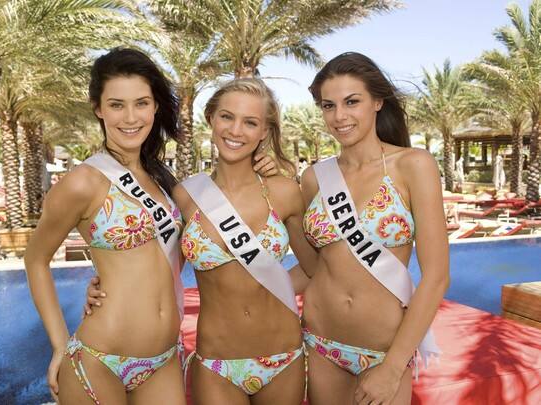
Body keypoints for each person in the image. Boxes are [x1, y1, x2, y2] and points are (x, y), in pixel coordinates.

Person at [86, 78, 320, 404]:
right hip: (216, 362)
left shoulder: (283, 191)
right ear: (211, 118)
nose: (236, 130)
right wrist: (104, 285)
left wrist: (271, 284)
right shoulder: (184, 196)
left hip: (283, 356)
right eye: (227, 117)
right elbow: (156, 268)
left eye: (250, 122)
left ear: (264, 131)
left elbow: (317, 269)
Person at [25, 47, 188, 404]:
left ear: (155, 106)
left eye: (141, 103)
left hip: (163, 360)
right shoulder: (83, 182)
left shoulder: (162, 179)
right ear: (98, 108)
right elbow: (35, 259)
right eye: (117, 105)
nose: (130, 117)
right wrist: (58, 345)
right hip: (99, 361)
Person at [300, 52, 449, 405]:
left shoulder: (413, 165)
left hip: (384, 351)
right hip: (321, 344)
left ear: (377, 102)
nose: (339, 116)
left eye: (352, 102)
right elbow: (315, 267)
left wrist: (394, 366)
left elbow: (437, 276)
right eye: (328, 105)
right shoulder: (314, 178)